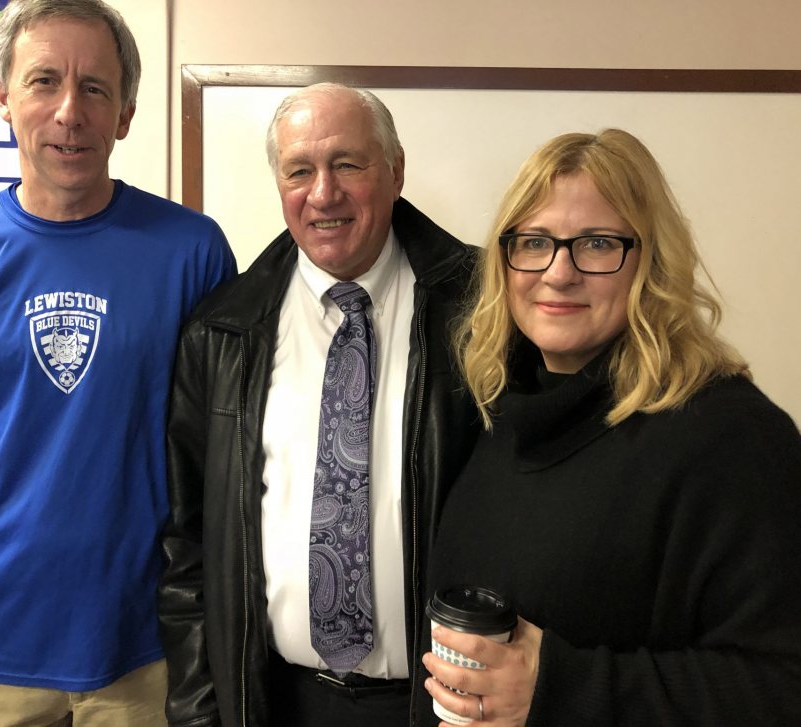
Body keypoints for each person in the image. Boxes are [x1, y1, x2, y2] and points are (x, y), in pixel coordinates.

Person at [0, 0, 236, 724]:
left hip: (142, 637)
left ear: (125, 112)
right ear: (2, 96)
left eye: (94, 88)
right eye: (44, 81)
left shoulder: (194, 251)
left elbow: (208, 437)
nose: (68, 111)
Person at [416, 128, 801, 726]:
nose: (558, 272)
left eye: (596, 243)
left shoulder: (732, 439)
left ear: (652, 259)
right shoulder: (501, 410)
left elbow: (781, 684)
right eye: (535, 241)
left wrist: (559, 690)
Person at [159, 82, 480, 727]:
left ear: (395, 172)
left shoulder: (481, 312)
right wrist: (199, 709)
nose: (323, 193)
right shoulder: (222, 332)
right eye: (299, 170)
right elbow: (186, 545)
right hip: (275, 700)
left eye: (348, 164)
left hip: (439, 705)